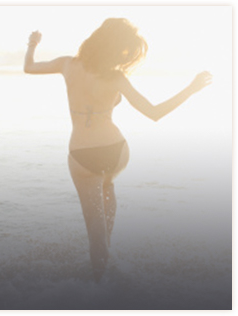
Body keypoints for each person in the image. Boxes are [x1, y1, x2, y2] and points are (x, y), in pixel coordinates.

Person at [24, 18, 212, 282]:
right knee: (107, 191)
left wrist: (32, 44)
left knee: (94, 229)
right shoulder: (116, 77)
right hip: (116, 152)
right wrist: (190, 90)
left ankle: (98, 286)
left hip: (83, 155)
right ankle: (108, 264)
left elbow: (29, 67)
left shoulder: (67, 64)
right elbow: (154, 113)